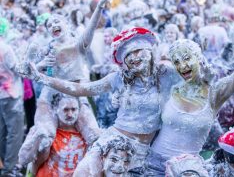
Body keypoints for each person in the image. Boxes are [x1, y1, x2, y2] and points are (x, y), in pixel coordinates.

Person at [18, 27, 182, 175]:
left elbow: (195, 78)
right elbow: (82, 89)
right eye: (128, 55)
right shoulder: (119, 78)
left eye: (137, 50)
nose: (133, 57)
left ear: (149, 50)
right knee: (82, 173)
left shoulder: (166, 73)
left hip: (144, 150)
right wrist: (41, 78)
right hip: (115, 140)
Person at [145, 17, 234, 176]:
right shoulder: (170, 89)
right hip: (153, 163)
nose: (183, 65)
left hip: (187, 170)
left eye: (187, 58)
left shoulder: (214, 93)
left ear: (199, 58)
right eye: (177, 61)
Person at [18, 0, 111, 166]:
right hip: (50, 97)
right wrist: (40, 65)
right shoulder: (47, 49)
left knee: (94, 135)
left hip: (75, 94)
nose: (53, 25)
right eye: (49, 25)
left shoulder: (78, 45)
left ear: (67, 25)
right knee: (44, 137)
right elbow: (25, 72)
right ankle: (31, 168)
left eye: (56, 22)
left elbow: (90, 29)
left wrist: (99, 8)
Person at [32, 94, 86, 177]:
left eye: (73, 109)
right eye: (65, 110)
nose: (70, 114)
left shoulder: (86, 135)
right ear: (56, 109)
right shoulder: (49, 134)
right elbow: (37, 162)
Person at [0, 17, 24, 176]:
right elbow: (17, 68)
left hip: (1, 95)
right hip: (11, 94)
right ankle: (10, 169)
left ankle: (5, 164)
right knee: (14, 132)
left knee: (2, 132)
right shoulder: (5, 48)